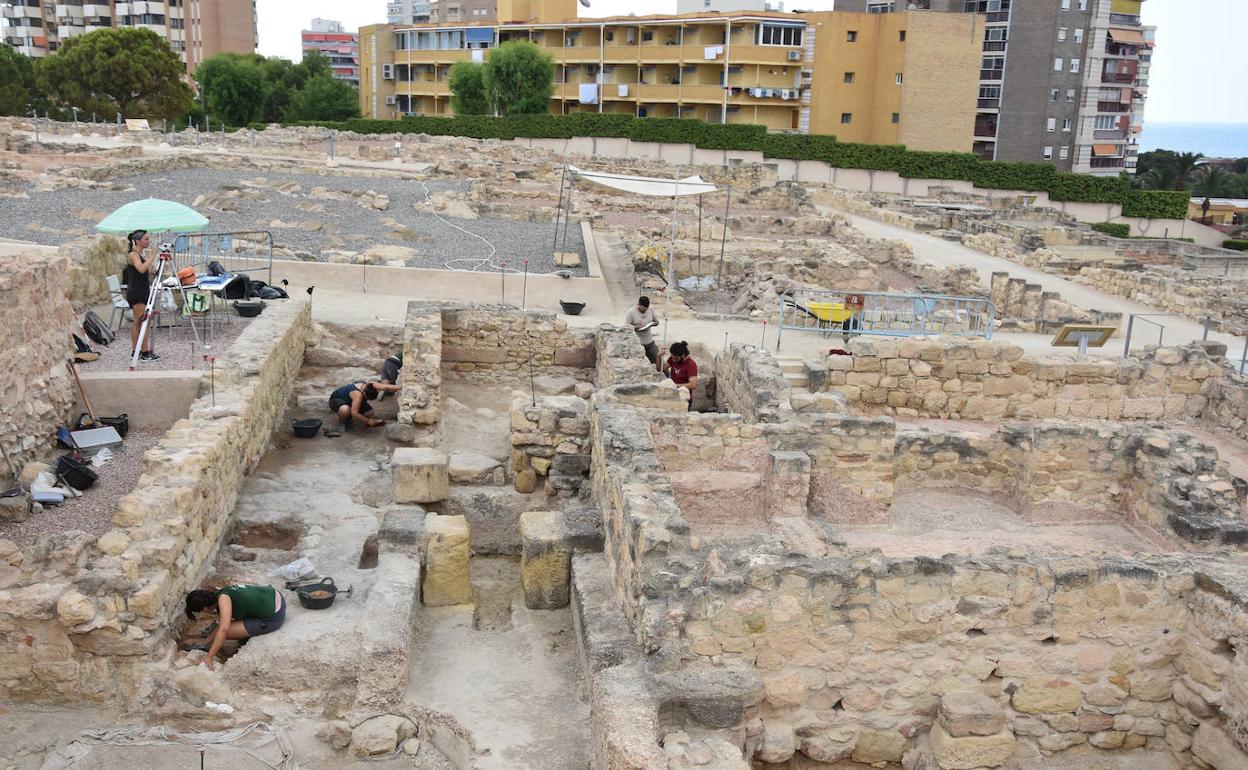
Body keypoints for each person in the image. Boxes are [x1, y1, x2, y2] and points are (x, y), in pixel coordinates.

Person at [185, 584, 286, 670]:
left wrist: (209, 656)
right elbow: (221, 622)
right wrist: (205, 642)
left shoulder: (223, 600)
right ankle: (205, 644)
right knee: (224, 625)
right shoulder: (221, 593)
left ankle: (208, 647)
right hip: (274, 596)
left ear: (205, 608)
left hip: (274, 616)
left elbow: (223, 629)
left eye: (201, 611)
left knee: (227, 631)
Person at [123, 229, 159, 361]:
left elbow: (142, 272)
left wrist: (151, 271)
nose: (148, 241)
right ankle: (143, 352)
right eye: (146, 239)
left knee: (141, 321)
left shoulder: (140, 255)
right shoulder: (133, 255)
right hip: (137, 292)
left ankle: (138, 350)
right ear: (138, 241)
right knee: (142, 321)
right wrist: (152, 256)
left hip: (142, 290)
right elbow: (141, 268)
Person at [329, 381, 398, 430]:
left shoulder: (371, 385)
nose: (366, 400)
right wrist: (368, 421)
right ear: (364, 393)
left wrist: (400, 387)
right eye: (366, 399)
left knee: (370, 413)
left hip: (351, 401)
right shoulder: (358, 395)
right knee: (345, 410)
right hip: (337, 400)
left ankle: (351, 416)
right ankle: (342, 422)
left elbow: (386, 387)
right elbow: (354, 413)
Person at [662, 341, 698, 411]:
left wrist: (674, 386)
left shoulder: (691, 365)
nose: (674, 360)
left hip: (683, 397)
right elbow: (663, 369)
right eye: (672, 358)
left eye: (676, 359)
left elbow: (693, 385)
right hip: (672, 395)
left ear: (683, 355)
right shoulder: (673, 358)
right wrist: (658, 356)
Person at [625, 296, 660, 367]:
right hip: (637, 343)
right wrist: (636, 327)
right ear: (639, 304)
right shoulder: (631, 312)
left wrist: (651, 324)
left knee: (659, 359)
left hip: (649, 341)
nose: (644, 311)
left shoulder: (650, 310)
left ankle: (668, 375)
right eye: (643, 309)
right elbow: (626, 328)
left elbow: (657, 322)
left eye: (646, 309)